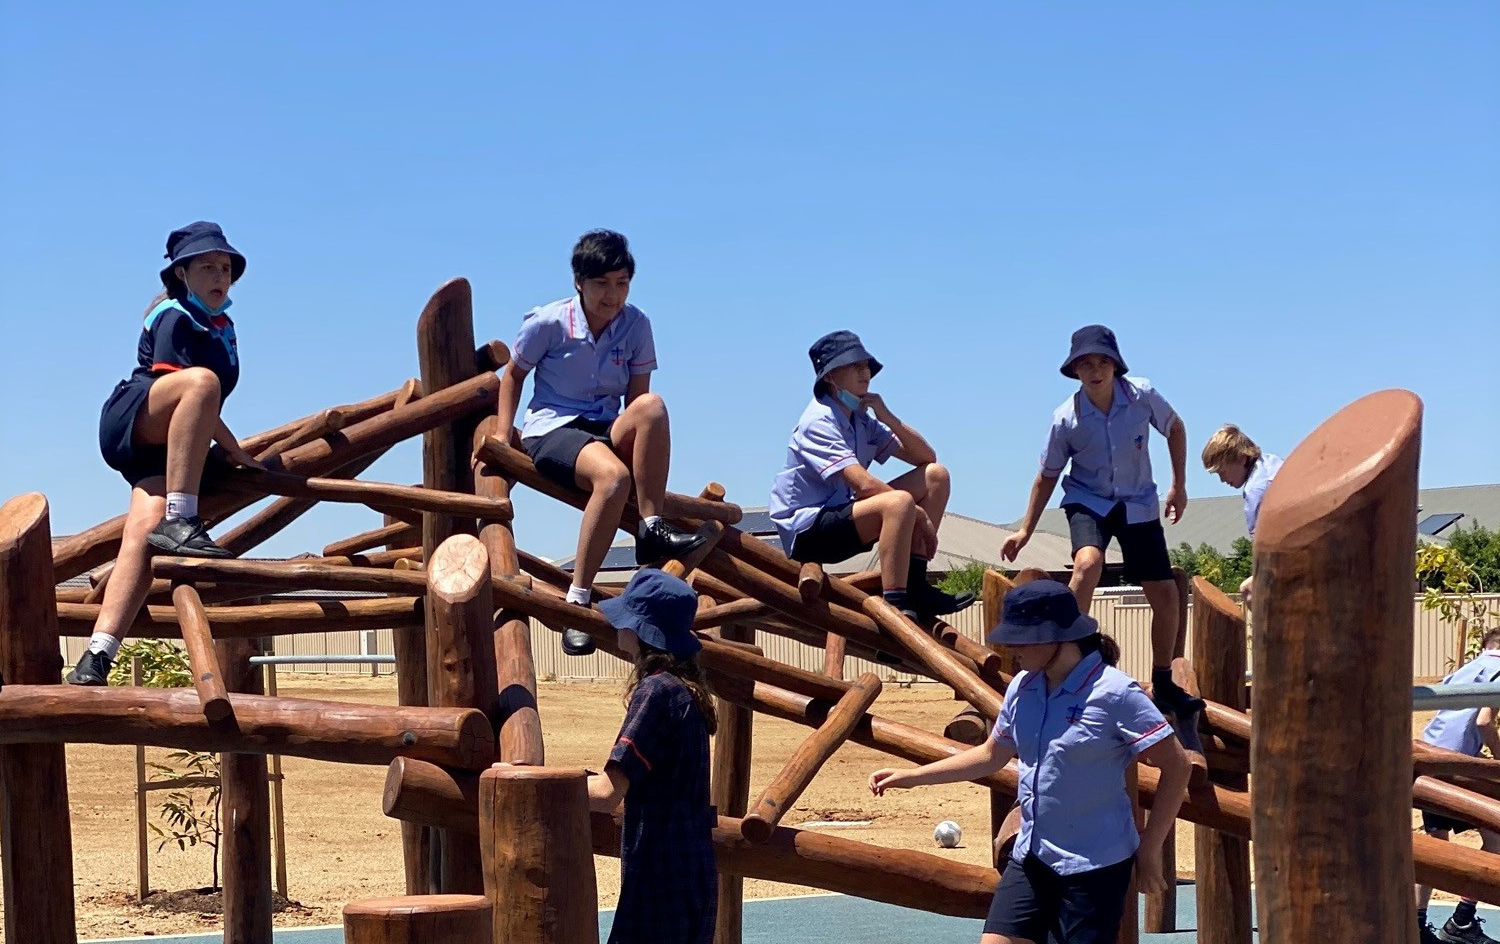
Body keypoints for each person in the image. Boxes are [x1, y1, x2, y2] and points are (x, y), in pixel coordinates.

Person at [869, 580, 1191, 944]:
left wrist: (1149, 850)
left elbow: (1177, 765)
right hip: (1032, 857)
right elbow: (992, 755)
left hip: (1094, 867)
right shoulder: (1024, 687)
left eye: (1022, 639)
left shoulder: (1115, 693)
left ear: (1058, 638)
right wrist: (913, 777)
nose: (1011, 647)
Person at [494, 230, 707, 657]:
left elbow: (637, 399)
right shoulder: (549, 323)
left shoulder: (637, 324)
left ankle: (651, 527)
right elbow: (514, 375)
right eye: (602, 284)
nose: (613, 296)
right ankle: (578, 597)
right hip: (554, 427)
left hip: (604, 427)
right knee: (612, 479)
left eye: (622, 283)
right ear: (579, 282)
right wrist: (503, 433)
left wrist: (637, 451)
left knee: (653, 406)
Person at [68, 222, 261, 686]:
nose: (220, 275)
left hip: (167, 448)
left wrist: (238, 453)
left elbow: (202, 408)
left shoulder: (224, 327)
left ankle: (96, 656)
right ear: (181, 274)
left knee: (142, 535)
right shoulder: (174, 314)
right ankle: (182, 516)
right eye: (208, 266)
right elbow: (190, 389)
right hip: (136, 417)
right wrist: (233, 449)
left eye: (226, 267)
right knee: (202, 381)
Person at [1000, 325, 1198, 719]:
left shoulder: (1142, 395)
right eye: (1086, 364)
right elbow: (1047, 476)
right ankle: (1068, 661)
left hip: (1138, 501)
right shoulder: (1066, 418)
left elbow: (1175, 427)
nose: (1095, 370)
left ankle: (1162, 681)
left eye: (1103, 361)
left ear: (1116, 365)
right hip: (1087, 500)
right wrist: (1025, 529)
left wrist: (1179, 485)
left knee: (1164, 591)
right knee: (1088, 562)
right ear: (1075, 371)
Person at [768, 330, 973, 622]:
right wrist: (919, 516)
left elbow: (926, 458)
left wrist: (886, 415)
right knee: (899, 502)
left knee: (936, 477)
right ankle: (895, 607)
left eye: (866, 366)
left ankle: (915, 588)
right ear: (830, 377)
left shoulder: (861, 419)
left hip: (844, 515)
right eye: (855, 366)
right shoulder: (818, 421)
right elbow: (863, 484)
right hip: (809, 529)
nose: (865, 373)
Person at [585, 569, 717, 944]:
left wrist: (545, 786)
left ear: (642, 630)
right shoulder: (684, 692)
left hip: (660, 876)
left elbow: (608, 793)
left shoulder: (655, 692)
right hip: (690, 871)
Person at [1415, 630, 1500, 944]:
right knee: (1495, 836)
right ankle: (1461, 921)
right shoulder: (1498, 673)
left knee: (1434, 845)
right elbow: (1482, 722)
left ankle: (1418, 925)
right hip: (1455, 766)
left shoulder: (1465, 669)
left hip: (1428, 756)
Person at [1200, 424, 1282, 607]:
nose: (1222, 480)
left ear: (1242, 458)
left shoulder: (1255, 490)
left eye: (1222, 472)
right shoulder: (1271, 463)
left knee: (1249, 591)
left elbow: (1261, 546)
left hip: (1288, 555)